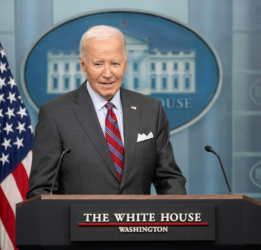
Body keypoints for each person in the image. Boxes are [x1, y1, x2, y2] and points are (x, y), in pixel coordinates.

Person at [26, 25, 186, 198]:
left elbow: (169, 179)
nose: (108, 73)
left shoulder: (151, 110)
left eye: (115, 63)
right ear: (83, 65)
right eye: (98, 64)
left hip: (138, 224)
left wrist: (178, 217)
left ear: (125, 65)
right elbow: (41, 190)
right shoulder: (55, 114)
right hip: (79, 224)